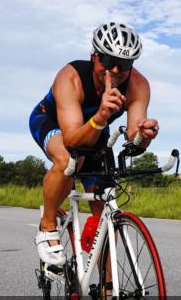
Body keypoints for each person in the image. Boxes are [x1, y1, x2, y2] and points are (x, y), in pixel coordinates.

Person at [28, 22, 159, 265]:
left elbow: (133, 137)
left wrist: (144, 136)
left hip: (96, 132)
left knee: (106, 210)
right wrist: (99, 116)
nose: (116, 71)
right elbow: (72, 139)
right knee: (68, 159)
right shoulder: (70, 77)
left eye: (126, 64)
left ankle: (108, 291)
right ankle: (47, 225)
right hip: (53, 122)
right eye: (109, 62)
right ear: (94, 57)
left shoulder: (138, 85)